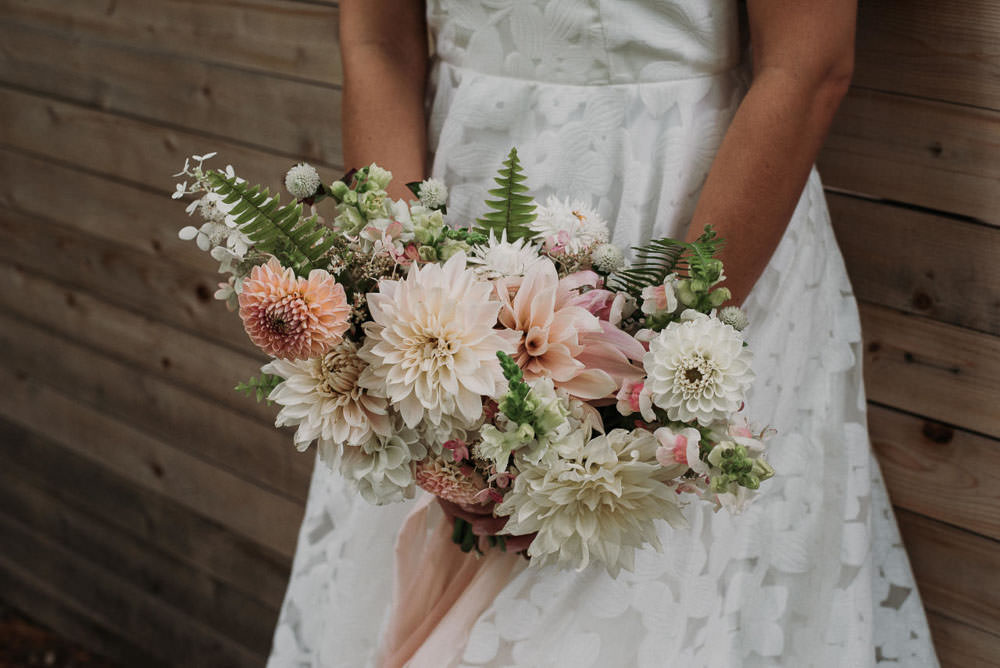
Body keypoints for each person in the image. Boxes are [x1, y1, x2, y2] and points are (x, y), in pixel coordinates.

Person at [267, 1, 940, 665]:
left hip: (692, 234)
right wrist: (401, 308)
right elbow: (378, 44)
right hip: (455, 225)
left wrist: (653, 377)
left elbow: (807, 64)